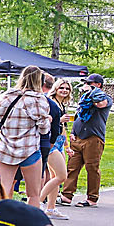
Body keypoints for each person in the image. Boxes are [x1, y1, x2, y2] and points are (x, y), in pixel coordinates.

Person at [0, 66, 51, 208]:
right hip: (29, 149)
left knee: (3, 191)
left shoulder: (7, 95)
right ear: (39, 80)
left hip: (6, 148)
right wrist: (46, 121)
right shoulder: (39, 100)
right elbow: (44, 130)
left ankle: (0, 222)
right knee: (33, 194)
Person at [59, 72, 112, 208]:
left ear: (98, 85)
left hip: (93, 138)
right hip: (77, 138)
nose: (86, 85)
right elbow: (78, 116)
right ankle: (66, 196)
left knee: (92, 168)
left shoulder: (105, 98)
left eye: (89, 83)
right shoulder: (84, 99)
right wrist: (72, 132)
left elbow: (100, 104)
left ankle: (92, 198)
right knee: (72, 167)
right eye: (86, 83)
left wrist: (92, 92)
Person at [39, 77, 71, 218]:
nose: (64, 90)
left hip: (59, 142)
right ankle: (37, 202)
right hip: (50, 142)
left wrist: (66, 145)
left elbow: (62, 128)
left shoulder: (62, 104)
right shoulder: (50, 103)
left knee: (55, 176)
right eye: (61, 88)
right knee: (61, 176)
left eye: (67, 88)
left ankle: (51, 208)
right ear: (55, 89)